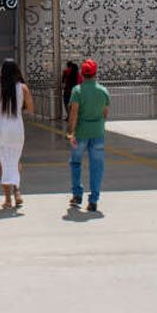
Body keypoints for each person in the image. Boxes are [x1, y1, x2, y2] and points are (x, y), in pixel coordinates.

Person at [0, 59, 34, 209]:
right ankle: (17, 192)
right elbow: (31, 109)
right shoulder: (23, 88)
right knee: (15, 160)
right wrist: (19, 109)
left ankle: (7, 199)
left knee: (4, 162)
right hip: (17, 130)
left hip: (1, 131)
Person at [67, 59, 110, 212]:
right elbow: (105, 114)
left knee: (76, 162)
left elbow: (74, 113)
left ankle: (77, 194)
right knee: (97, 166)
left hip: (81, 133)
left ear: (82, 74)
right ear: (95, 73)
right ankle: (93, 200)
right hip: (98, 133)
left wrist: (71, 132)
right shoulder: (103, 91)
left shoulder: (77, 91)